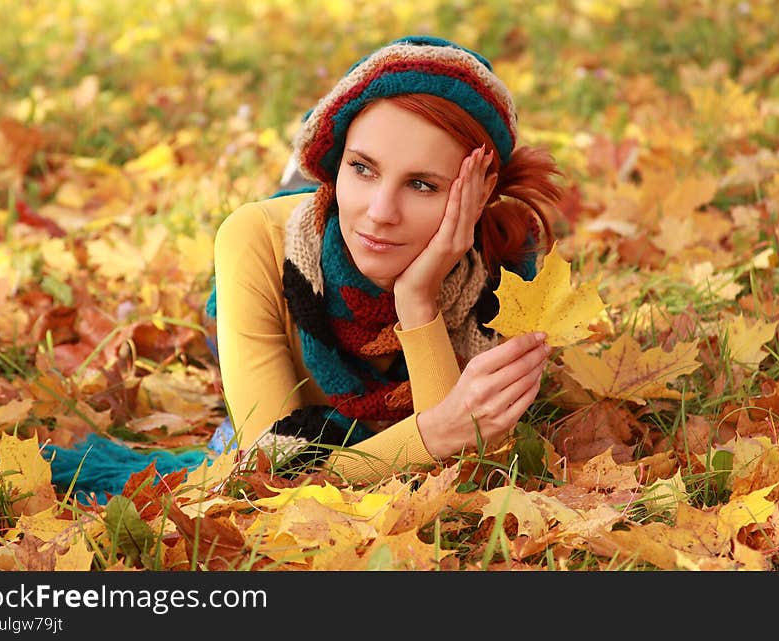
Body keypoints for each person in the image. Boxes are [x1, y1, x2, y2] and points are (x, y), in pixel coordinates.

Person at [213, 35, 561, 484]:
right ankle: (304, 181)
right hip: (296, 259)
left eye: (422, 185)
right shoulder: (254, 239)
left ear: (476, 198)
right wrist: (433, 434)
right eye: (361, 167)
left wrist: (419, 299)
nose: (380, 213)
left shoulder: (506, 276)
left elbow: (467, 477)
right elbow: (269, 475)